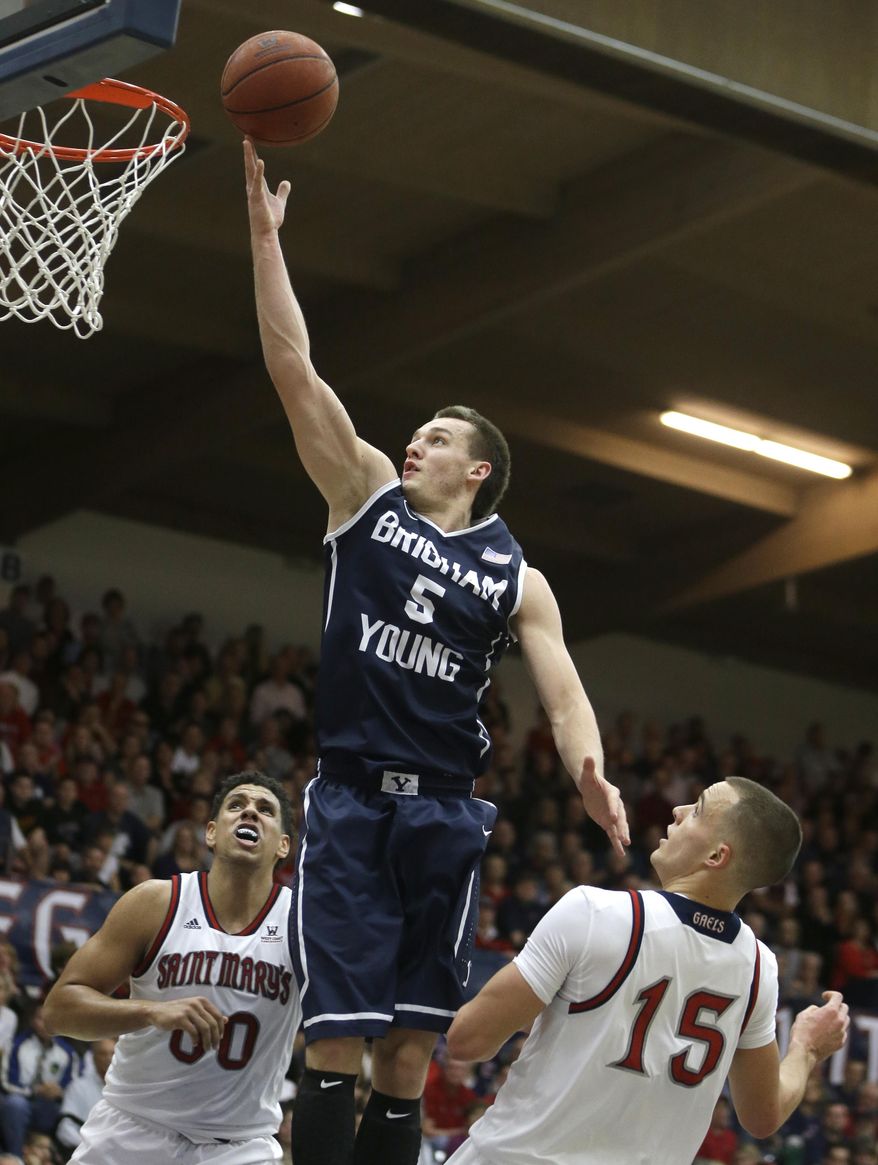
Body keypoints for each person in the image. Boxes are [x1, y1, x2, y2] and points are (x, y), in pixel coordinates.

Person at [244, 139, 629, 1165]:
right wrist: (263, 238)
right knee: (333, 1041)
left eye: (434, 436)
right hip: (354, 797)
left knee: (408, 1054)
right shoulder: (363, 496)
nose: (411, 442)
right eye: (412, 431)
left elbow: (562, 689)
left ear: (479, 467)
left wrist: (585, 765)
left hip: (443, 810)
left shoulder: (517, 575)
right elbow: (293, 368)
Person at [443, 777, 850, 1164]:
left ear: (716, 856)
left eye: (697, 811)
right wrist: (807, 1049)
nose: (677, 810)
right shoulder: (759, 969)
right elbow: (762, 1116)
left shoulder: (594, 912)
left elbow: (468, 1041)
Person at [42, 770, 298, 1164]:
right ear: (211, 833)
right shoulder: (156, 903)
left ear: (283, 845)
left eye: (265, 810)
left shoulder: (302, 926)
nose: (250, 813)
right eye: (237, 805)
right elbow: (59, 1011)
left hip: (239, 1147)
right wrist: (149, 1010)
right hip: (132, 1129)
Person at [54, 1039, 116, 1158]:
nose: (109, 1059)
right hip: (86, 1155)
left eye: (112, 1054)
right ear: (93, 1058)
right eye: (103, 1054)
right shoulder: (78, 1087)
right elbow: (65, 1128)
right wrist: (91, 1149)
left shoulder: (127, 1089)